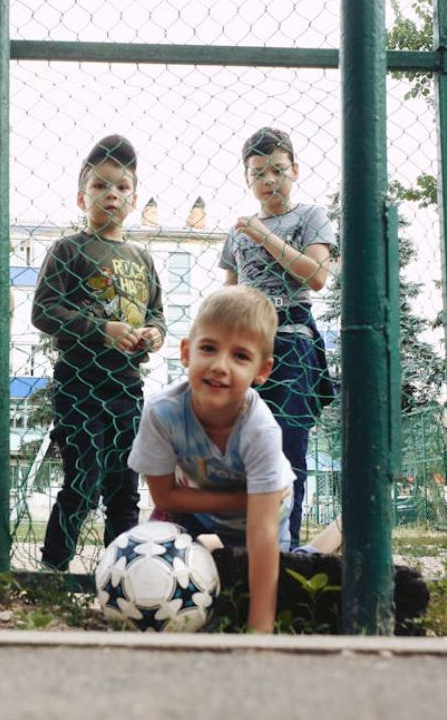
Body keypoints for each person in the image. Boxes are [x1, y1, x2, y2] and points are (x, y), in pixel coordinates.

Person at [32, 134, 167, 572]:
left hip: (126, 386)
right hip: (79, 381)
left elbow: (158, 315)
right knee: (83, 480)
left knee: (124, 486)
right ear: (81, 196)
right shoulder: (69, 249)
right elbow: (43, 310)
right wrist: (102, 329)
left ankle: (121, 572)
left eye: (122, 187)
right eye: (101, 186)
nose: (112, 195)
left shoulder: (142, 257)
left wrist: (152, 334)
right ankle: (54, 567)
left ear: (134, 197)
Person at [128, 285, 294, 633]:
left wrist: (260, 631)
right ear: (186, 352)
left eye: (240, 356)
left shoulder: (260, 430)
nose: (220, 366)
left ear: (262, 371)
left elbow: (262, 530)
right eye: (208, 348)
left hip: (264, 513)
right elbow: (165, 497)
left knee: (266, 580)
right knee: (157, 554)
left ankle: (331, 536)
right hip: (201, 511)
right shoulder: (163, 413)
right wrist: (238, 499)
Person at [219, 127, 337, 548]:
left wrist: (263, 235)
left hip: (290, 339)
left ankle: (284, 546)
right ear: (247, 179)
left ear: (295, 170)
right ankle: (237, 543)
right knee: (235, 443)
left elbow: (317, 276)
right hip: (244, 343)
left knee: (289, 446)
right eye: (258, 173)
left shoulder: (308, 216)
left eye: (277, 170)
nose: (269, 181)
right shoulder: (237, 232)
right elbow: (229, 292)